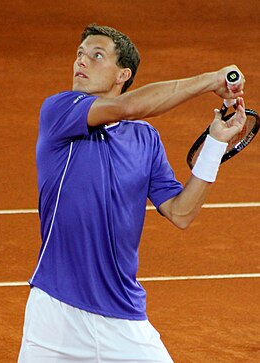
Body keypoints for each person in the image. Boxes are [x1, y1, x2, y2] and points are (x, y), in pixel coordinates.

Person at [18, 24, 246, 363]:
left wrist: (214, 144)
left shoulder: (146, 139)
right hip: (55, 315)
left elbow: (180, 212)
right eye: (80, 54)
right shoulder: (59, 111)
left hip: (124, 318)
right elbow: (126, 108)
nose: (81, 61)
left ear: (122, 74)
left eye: (97, 55)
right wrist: (212, 80)